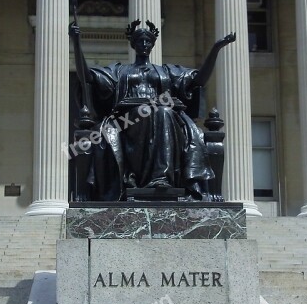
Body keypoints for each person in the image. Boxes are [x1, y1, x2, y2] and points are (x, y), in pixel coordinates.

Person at [69, 19, 235, 201]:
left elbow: (198, 80)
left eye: (148, 41)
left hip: (164, 118)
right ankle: (140, 177)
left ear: (153, 44)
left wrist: (216, 49)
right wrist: (76, 42)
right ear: (133, 44)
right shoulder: (119, 71)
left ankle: (160, 178)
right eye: (140, 41)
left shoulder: (166, 71)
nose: (144, 44)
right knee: (158, 113)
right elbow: (86, 75)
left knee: (163, 112)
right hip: (127, 120)